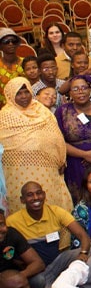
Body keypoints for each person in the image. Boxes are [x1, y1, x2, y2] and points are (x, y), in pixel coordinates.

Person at [0, 78, 70, 213]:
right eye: (18, 93)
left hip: (47, 171)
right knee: (22, 208)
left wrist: (61, 159)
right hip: (16, 174)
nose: (24, 96)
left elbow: (57, 138)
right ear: (10, 95)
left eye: (26, 92)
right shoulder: (4, 117)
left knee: (50, 206)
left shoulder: (43, 111)